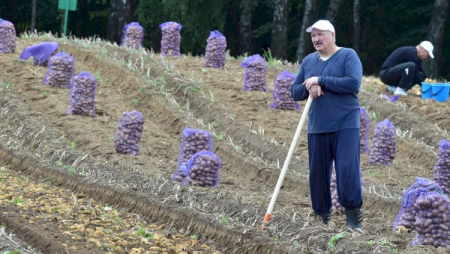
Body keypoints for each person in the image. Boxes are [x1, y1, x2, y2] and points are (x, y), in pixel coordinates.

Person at [290, 20, 363, 231]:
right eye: (313, 36)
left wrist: (320, 80)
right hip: (318, 125)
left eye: (320, 34)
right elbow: (295, 91)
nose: (316, 39)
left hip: (345, 123)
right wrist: (309, 84)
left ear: (332, 35)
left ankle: (354, 220)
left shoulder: (348, 55)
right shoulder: (309, 61)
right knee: (317, 173)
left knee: (347, 169)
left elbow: (353, 83)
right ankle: (321, 218)